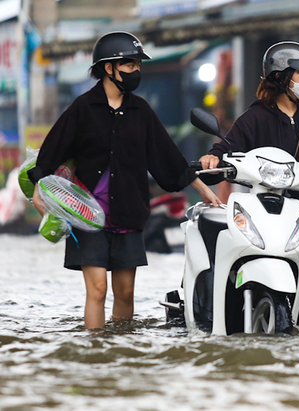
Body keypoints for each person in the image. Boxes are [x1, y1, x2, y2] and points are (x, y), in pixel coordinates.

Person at [27, 32, 221, 330]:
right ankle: (97, 353)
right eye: (130, 65)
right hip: (86, 217)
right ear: (109, 68)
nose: (136, 71)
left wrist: (204, 190)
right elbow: (49, 157)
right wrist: (40, 198)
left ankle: (122, 354)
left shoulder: (140, 111)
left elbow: (167, 158)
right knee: (97, 291)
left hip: (128, 213)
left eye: (137, 65)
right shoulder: (82, 108)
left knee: (126, 293)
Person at [198, 41, 299, 326]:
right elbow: (227, 149)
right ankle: (293, 331)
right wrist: (212, 158)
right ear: (280, 77)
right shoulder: (253, 118)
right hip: (281, 219)